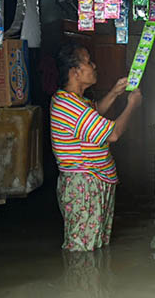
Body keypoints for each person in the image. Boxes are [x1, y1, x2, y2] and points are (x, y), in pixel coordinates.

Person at [50, 43, 142, 251]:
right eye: (88, 61)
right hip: (85, 186)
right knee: (82, 250)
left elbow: (95, 112)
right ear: (76, 72)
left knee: (93, 245)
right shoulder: (68, 106)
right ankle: (79, 283)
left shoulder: (75, 102)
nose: (94, 66)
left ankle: (93, 282)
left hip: (93, 183)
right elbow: (113, 134)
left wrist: (115, 92)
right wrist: (132, 106)